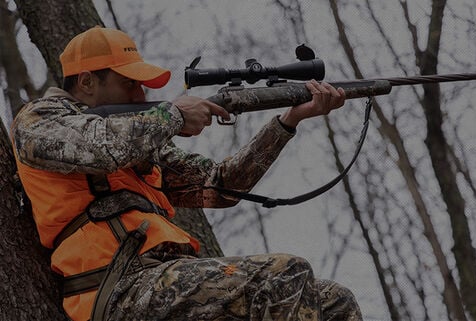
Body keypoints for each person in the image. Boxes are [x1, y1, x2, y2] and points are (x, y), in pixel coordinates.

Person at [11, 26, 362, 321]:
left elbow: (218, 187)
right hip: (115, 287)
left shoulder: (140, 141)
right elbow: (101, 147)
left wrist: (288, 121)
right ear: (87, 82)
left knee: (333, 300)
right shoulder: (40, 120)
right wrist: (173, 116)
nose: (141, 93)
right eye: (130, 83)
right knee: (286, 272)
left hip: (166, 278)